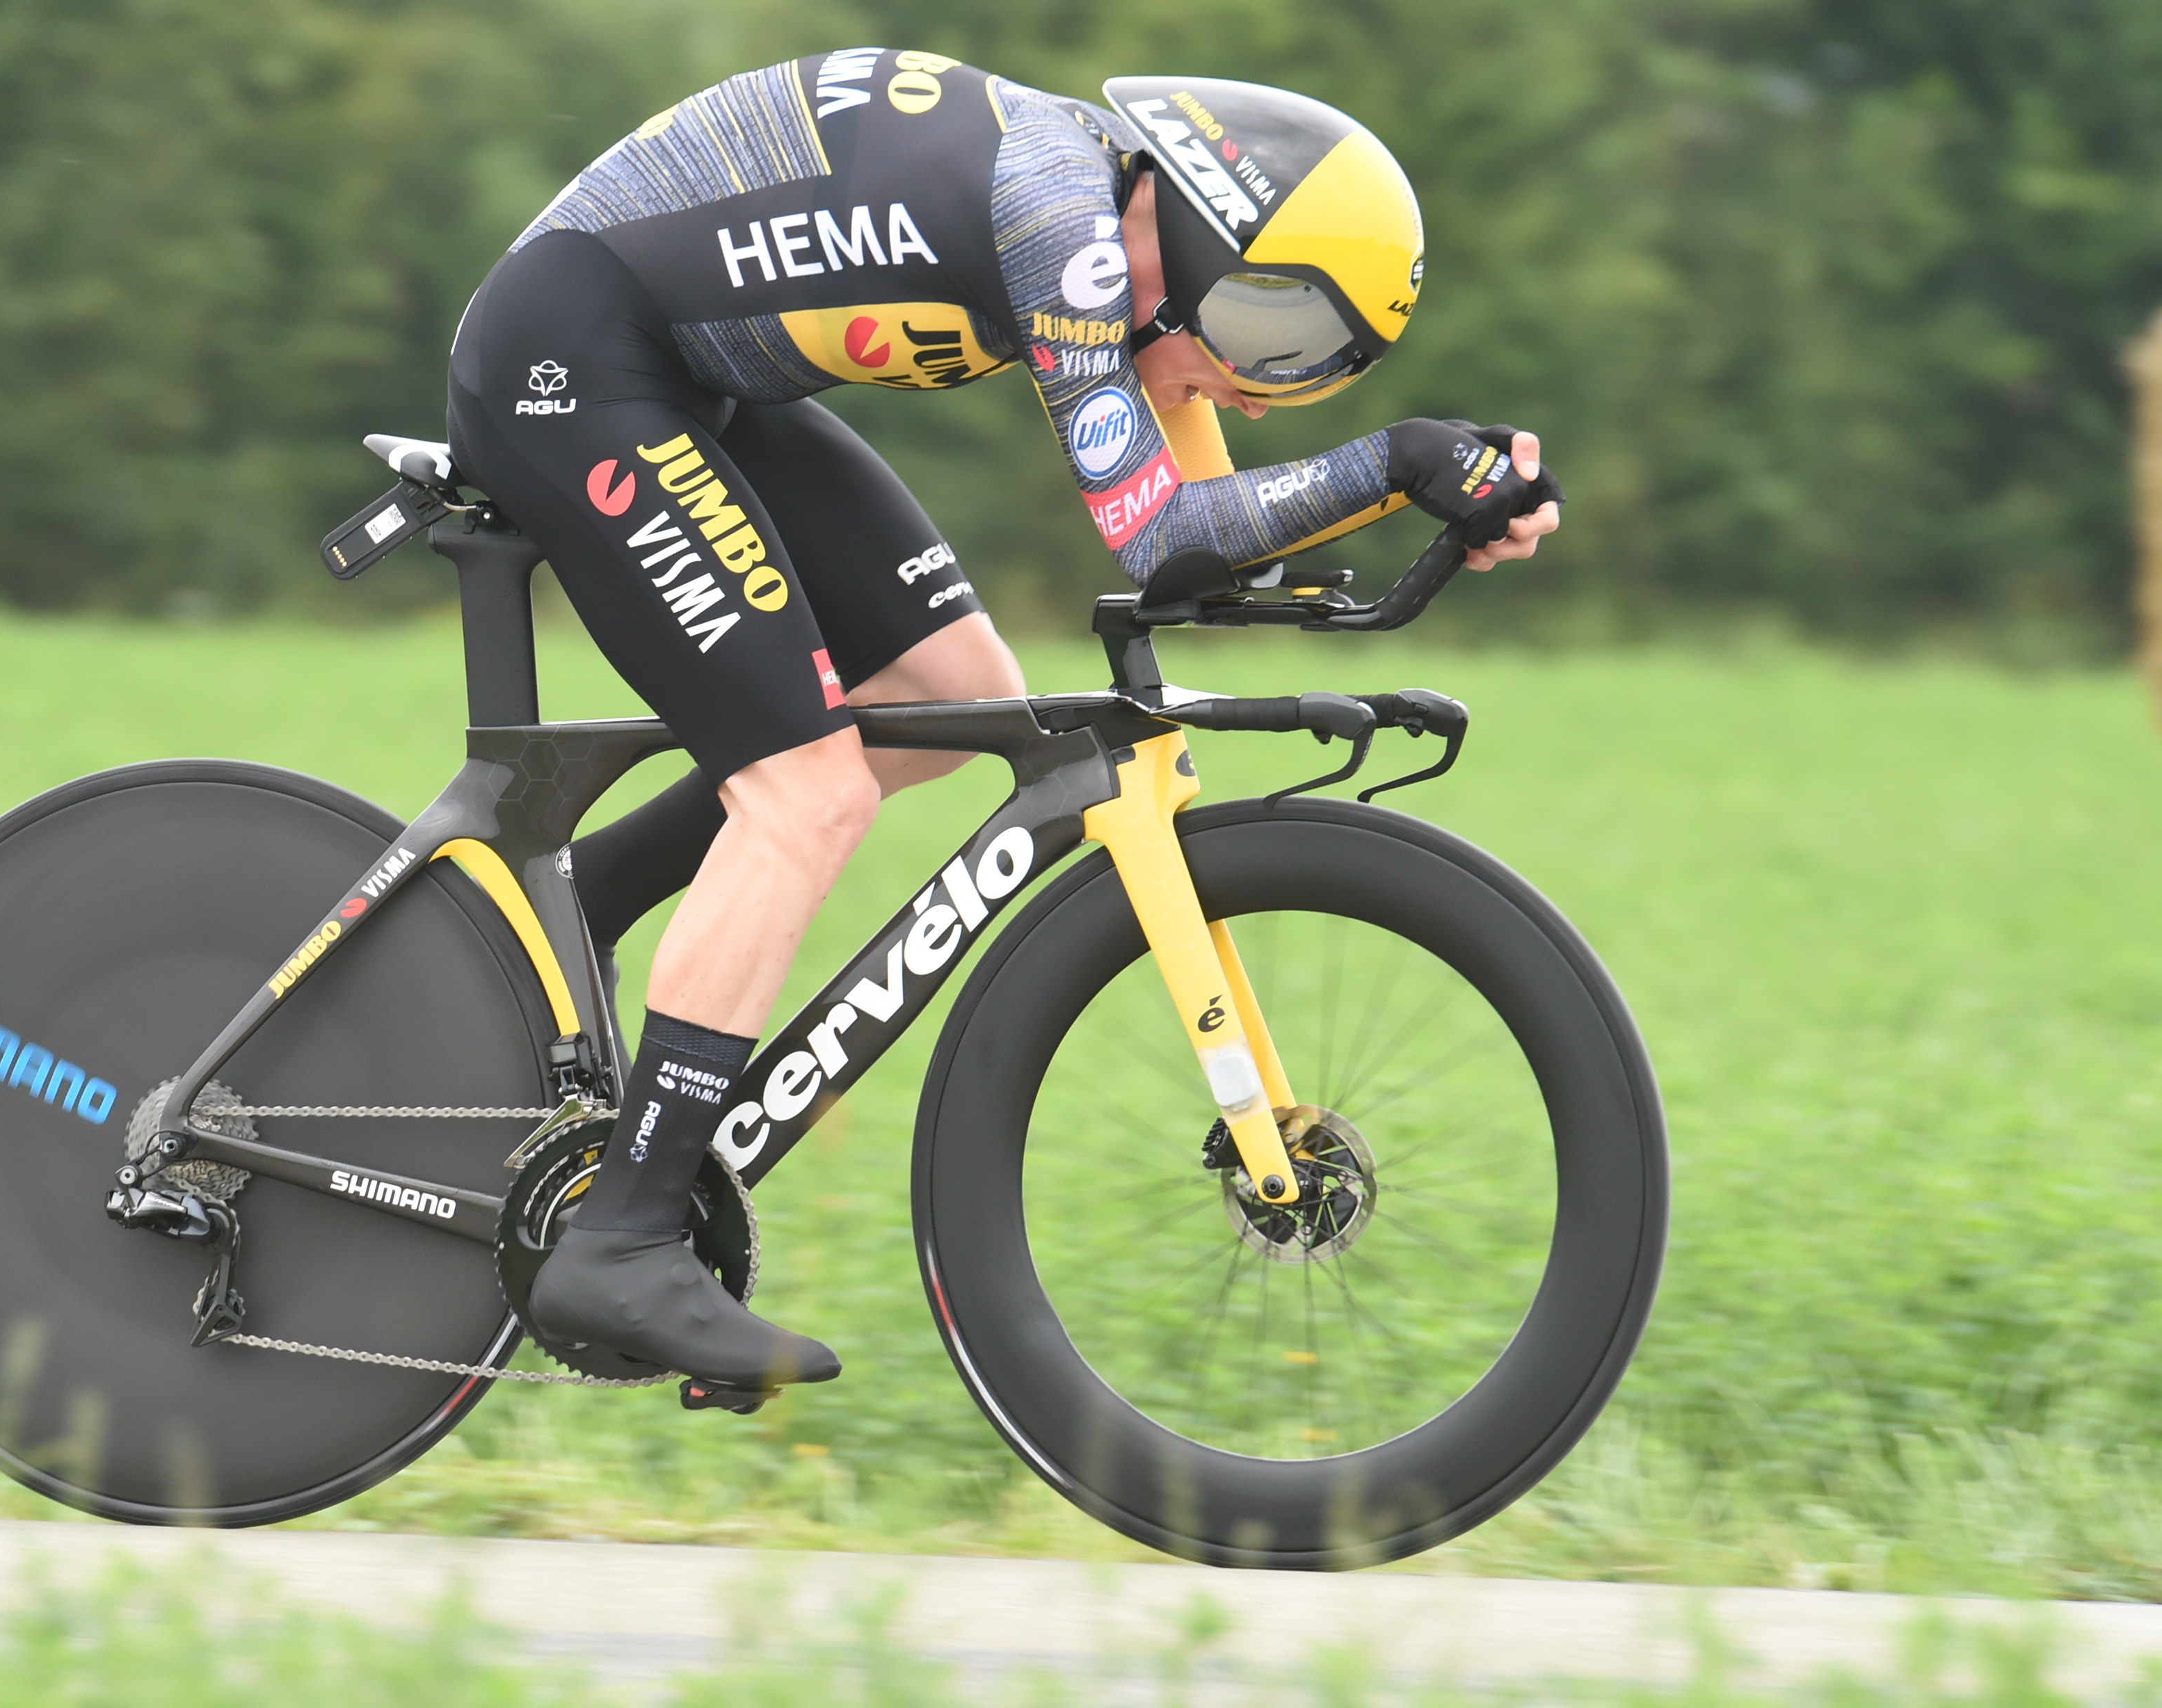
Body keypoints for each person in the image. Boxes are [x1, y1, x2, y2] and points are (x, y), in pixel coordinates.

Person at [445, 57, 1562, 1394]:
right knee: (807, 796)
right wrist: (1397, 463)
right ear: (1194, 230)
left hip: (681, 375)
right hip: (571, 363)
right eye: (1271, 331)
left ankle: (583, 909)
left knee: (948, 701)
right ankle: (622, 1241)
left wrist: (1438, 503)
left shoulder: (1115, 230)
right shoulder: (1061, 221)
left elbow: (1215, 547)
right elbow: (1161, 536)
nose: (1266, 388)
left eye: (1314, 366)